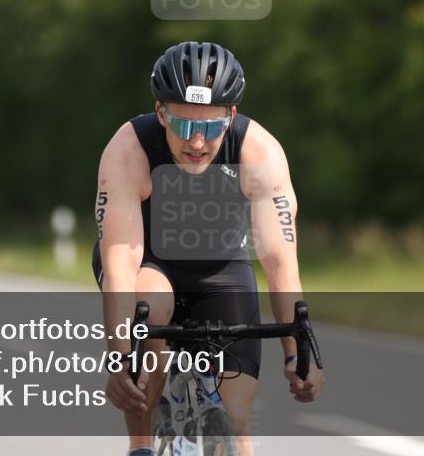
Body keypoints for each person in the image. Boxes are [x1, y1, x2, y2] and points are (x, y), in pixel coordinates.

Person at [93, 41, 325, 456]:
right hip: (148, 260)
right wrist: (119, 359)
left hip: (220, 265)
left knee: (236, 426)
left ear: (231, 116)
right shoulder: (129, 150)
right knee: (152, 303)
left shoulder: (260, 153)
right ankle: (142, 445)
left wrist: (297, 356)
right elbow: (120, 264)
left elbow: (278, 261)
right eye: (183, 125)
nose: (197, 142)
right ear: (161, 112)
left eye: (212, 127)